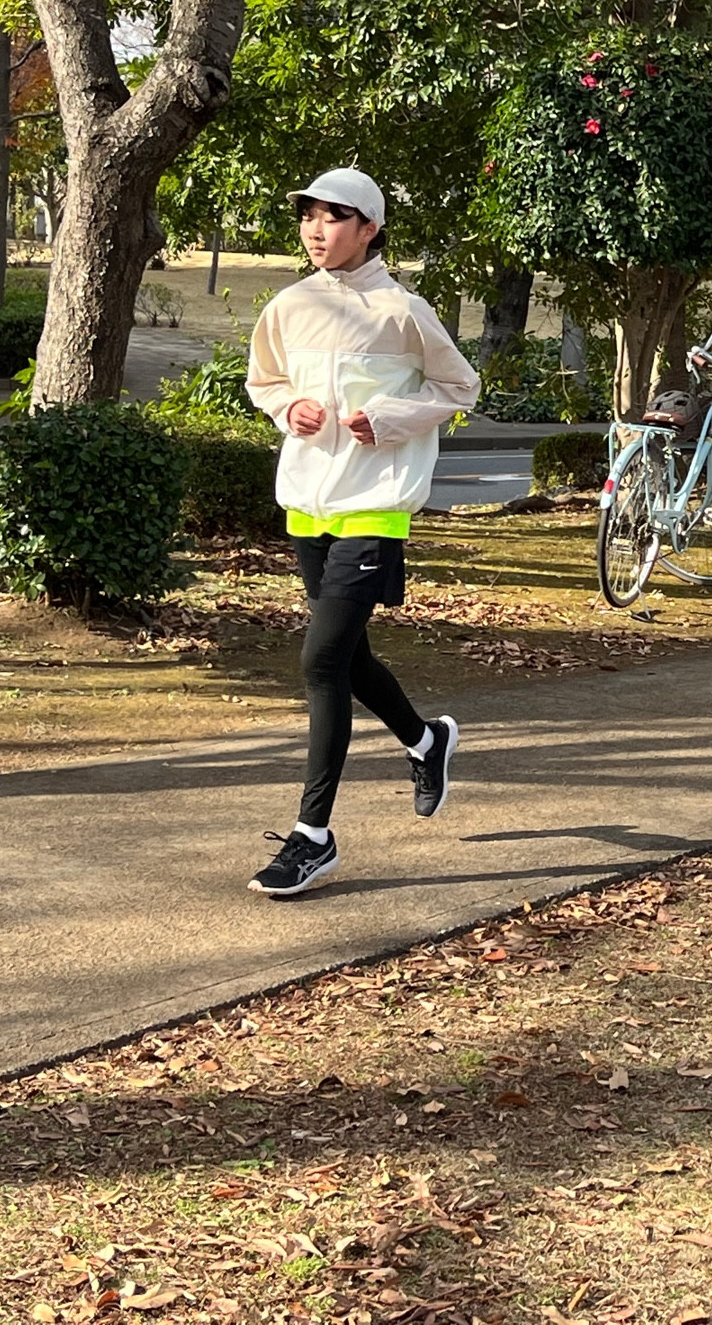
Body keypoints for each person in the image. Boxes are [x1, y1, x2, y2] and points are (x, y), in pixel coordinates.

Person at [242, 169, 482, 896]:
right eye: (308, 216)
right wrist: (288, 409)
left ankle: (312, 837)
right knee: (348, 659)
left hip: (375, 505)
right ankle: (426, 739)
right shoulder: (289, 305)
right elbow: (264, 380)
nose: (316, 230)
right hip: (308, 505)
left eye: (334, 217)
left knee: (321, 662)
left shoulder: (401, 311)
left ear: (370, 227)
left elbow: (459, 387)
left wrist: (387, 419)